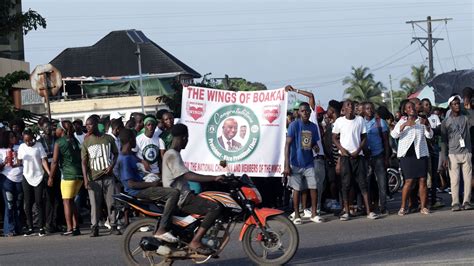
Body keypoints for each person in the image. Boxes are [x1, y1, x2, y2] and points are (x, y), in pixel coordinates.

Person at [161, 123, 224, 255]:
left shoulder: (173, 154)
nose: (187, 141)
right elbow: (188, 175)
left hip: (184, 195)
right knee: (215, 207)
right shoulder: (172, 154)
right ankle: (196, 241)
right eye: (187, 138)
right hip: (183, 199)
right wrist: (214, 178)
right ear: (184, 138)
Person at [118, 128, 180, 243]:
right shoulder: (125, 159)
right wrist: (152, 183)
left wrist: (142, 161)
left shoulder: (128, 154)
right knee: (174, 193)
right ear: (131, 140)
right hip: (138, 191)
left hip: (143, 184)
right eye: (135, 137)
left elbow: (134, 158)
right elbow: (131, 184)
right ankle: (162, 228)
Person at [332, 100, 379, 221]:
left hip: (358, 156)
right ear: (344, 109)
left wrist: (358, 150)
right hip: (345, 157)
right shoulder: (339, 121)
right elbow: (334, 137)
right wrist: (341, 149)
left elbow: (364, 137)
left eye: (352, 105)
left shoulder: (360, 120)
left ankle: (369, 211)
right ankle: (347, 211)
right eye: (348, 105)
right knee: (346, 185)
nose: (351, 107)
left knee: (363, 184)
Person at [81, 115, 121, 236]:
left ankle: (113, 225)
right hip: (94, 178)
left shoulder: (108, 139)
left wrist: (112, 166)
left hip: (108, 177)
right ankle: (94, 227)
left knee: (111, 203)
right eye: (86, 125)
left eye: (90, 124)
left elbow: (116, 154)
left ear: (96, 124)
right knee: (95, 205)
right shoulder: (86, 141)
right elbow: (83, 162)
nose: (88, 127)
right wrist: (85, 179)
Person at [283, 102, 322, 224]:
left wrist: (315, 147)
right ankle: (297, 215)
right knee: (296, 189)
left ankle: (314, 214)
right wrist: (286, 165)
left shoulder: (313, 127)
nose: (305, 113)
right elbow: (287, 145)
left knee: (313, 187)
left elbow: (314, 142)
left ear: (310, 113)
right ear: (299, 112)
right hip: (295, 163)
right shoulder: (294, 125)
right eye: (302, 111)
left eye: (307, 111)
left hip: (309, 162)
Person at [391, 101, 433, 216]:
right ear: (405, 111)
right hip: (407, 155)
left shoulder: (421, 120)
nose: (412, 109)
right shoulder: (402, 121)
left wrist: (427, 126)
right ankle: (403, 207)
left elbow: (430, 135)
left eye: (413, 106)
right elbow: (394, 135)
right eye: (409, 107)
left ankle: (423, 207)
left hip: (420, 153)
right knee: (409, 181)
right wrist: (405, 125)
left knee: (423, 180)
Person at [49, 121, 83, 236]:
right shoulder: (74, 139)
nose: (55, 131)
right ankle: (76, 226)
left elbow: (54, 161)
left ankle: (69, 228)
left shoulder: (59, 142)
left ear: (61, 130)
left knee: (66, 202)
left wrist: (50, 177)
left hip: (68, 176)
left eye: (57, 129)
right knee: (72, 201)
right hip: (79, 176)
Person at [441, 95, 473, 211]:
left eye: (458, 103)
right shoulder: (446, 122)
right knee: (454, 180)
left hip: (466, 152)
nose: (457, 105)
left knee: (468, 179)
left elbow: (473, 119)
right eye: (454, 104)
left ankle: (467, 201)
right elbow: (443, 141)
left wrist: (468, 109)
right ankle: (455, 203)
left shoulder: (466, 118)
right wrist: (444, 156)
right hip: (453, 154)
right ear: (450, 106)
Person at [17, 130, 50, 236]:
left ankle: (41, 227)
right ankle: (30, 227)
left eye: (29, 140)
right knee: (27, 203)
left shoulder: (39, 145)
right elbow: (19, 162)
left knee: (39, 201)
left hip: (39, 176)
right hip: (26, 177)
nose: (28, 142)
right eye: (25, 140)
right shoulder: (22, 147)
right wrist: (17, 159)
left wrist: (49, 173)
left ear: (33, 137)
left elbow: (44, 160)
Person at [364, 102, 390, 215]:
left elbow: (386, 141)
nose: (369, 110)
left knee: (382, 183)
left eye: (371, 108)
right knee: (368, 183)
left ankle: (383, 206)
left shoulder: (380, 122)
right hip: (366, 157)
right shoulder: (360, 123)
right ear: (363, 110)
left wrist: (386, 158)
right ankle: (370, 206)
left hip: (379, 155)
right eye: (367, 108)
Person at [0, 131, 23, 236]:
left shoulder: (19, 147)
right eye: (12, 137)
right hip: (7, 179)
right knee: (9, 205)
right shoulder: (1, 151)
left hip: (19, 179)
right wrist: (4, 162)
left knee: (18, 205)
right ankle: (9, 229)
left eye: (14, 136)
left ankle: (18, 228)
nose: (14, 138)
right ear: (6, 139)